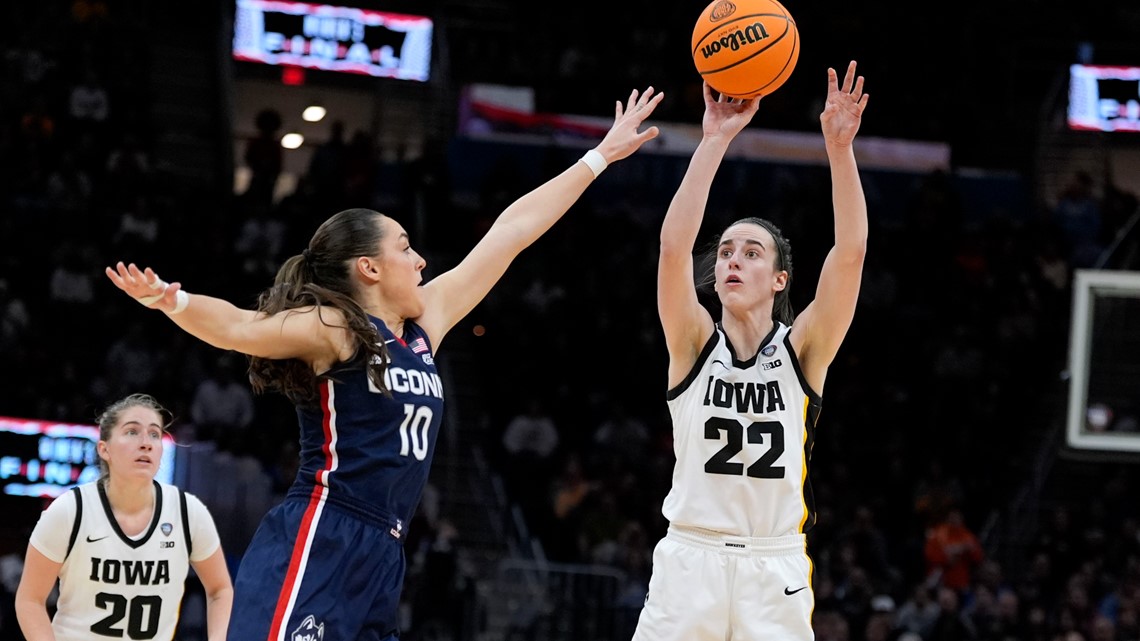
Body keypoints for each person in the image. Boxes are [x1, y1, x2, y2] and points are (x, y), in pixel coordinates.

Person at [105, 86, 664, 641]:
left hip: (385, 551)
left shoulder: (427, 324)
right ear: (369, 268)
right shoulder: (337, 329)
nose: (421, 260)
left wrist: (598, 157)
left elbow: (510, 233)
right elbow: (237, 327)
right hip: (323, 531)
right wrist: (170, 300)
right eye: (405, 248)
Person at [633, 61, 869, 640]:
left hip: (774, 564)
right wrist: (714, 140)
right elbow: (671, 248)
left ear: (781, 279)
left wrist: (840, 150)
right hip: (691, 558)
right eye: (728, 252)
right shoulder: (692, 342)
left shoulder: (803, 350)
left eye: (752, 252)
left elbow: (851, 252)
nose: (733, 259)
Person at [14, 393, 233, 641]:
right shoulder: (69, 510)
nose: (146, 442)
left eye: (154, 434)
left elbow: (220, 589)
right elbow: (30, 599)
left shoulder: (188, 513)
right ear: (104, 449)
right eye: (132, 432)